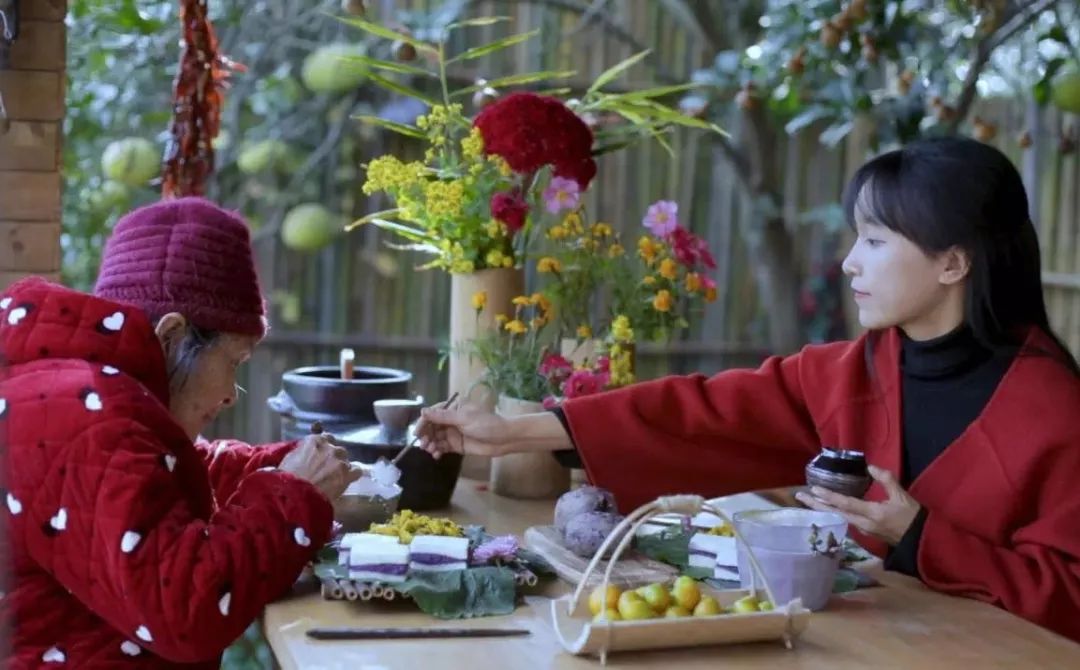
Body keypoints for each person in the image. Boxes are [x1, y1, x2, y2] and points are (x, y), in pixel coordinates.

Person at [416, 136, 1080, 642]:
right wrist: (512, 433)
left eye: (875, 242)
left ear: (954, 263)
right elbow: (700, 414)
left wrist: (919, 535)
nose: (850, 262)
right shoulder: (857, 370)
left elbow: (1070, 597)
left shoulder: (1053, 412)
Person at [0, 198, 358, 668]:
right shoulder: (85, 425)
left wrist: (282, 468)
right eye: (235, 361)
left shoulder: (74, 400)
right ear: (171, 336)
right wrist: (291, 496)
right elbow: (187, 611)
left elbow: (160, 481)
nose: (231, 394)